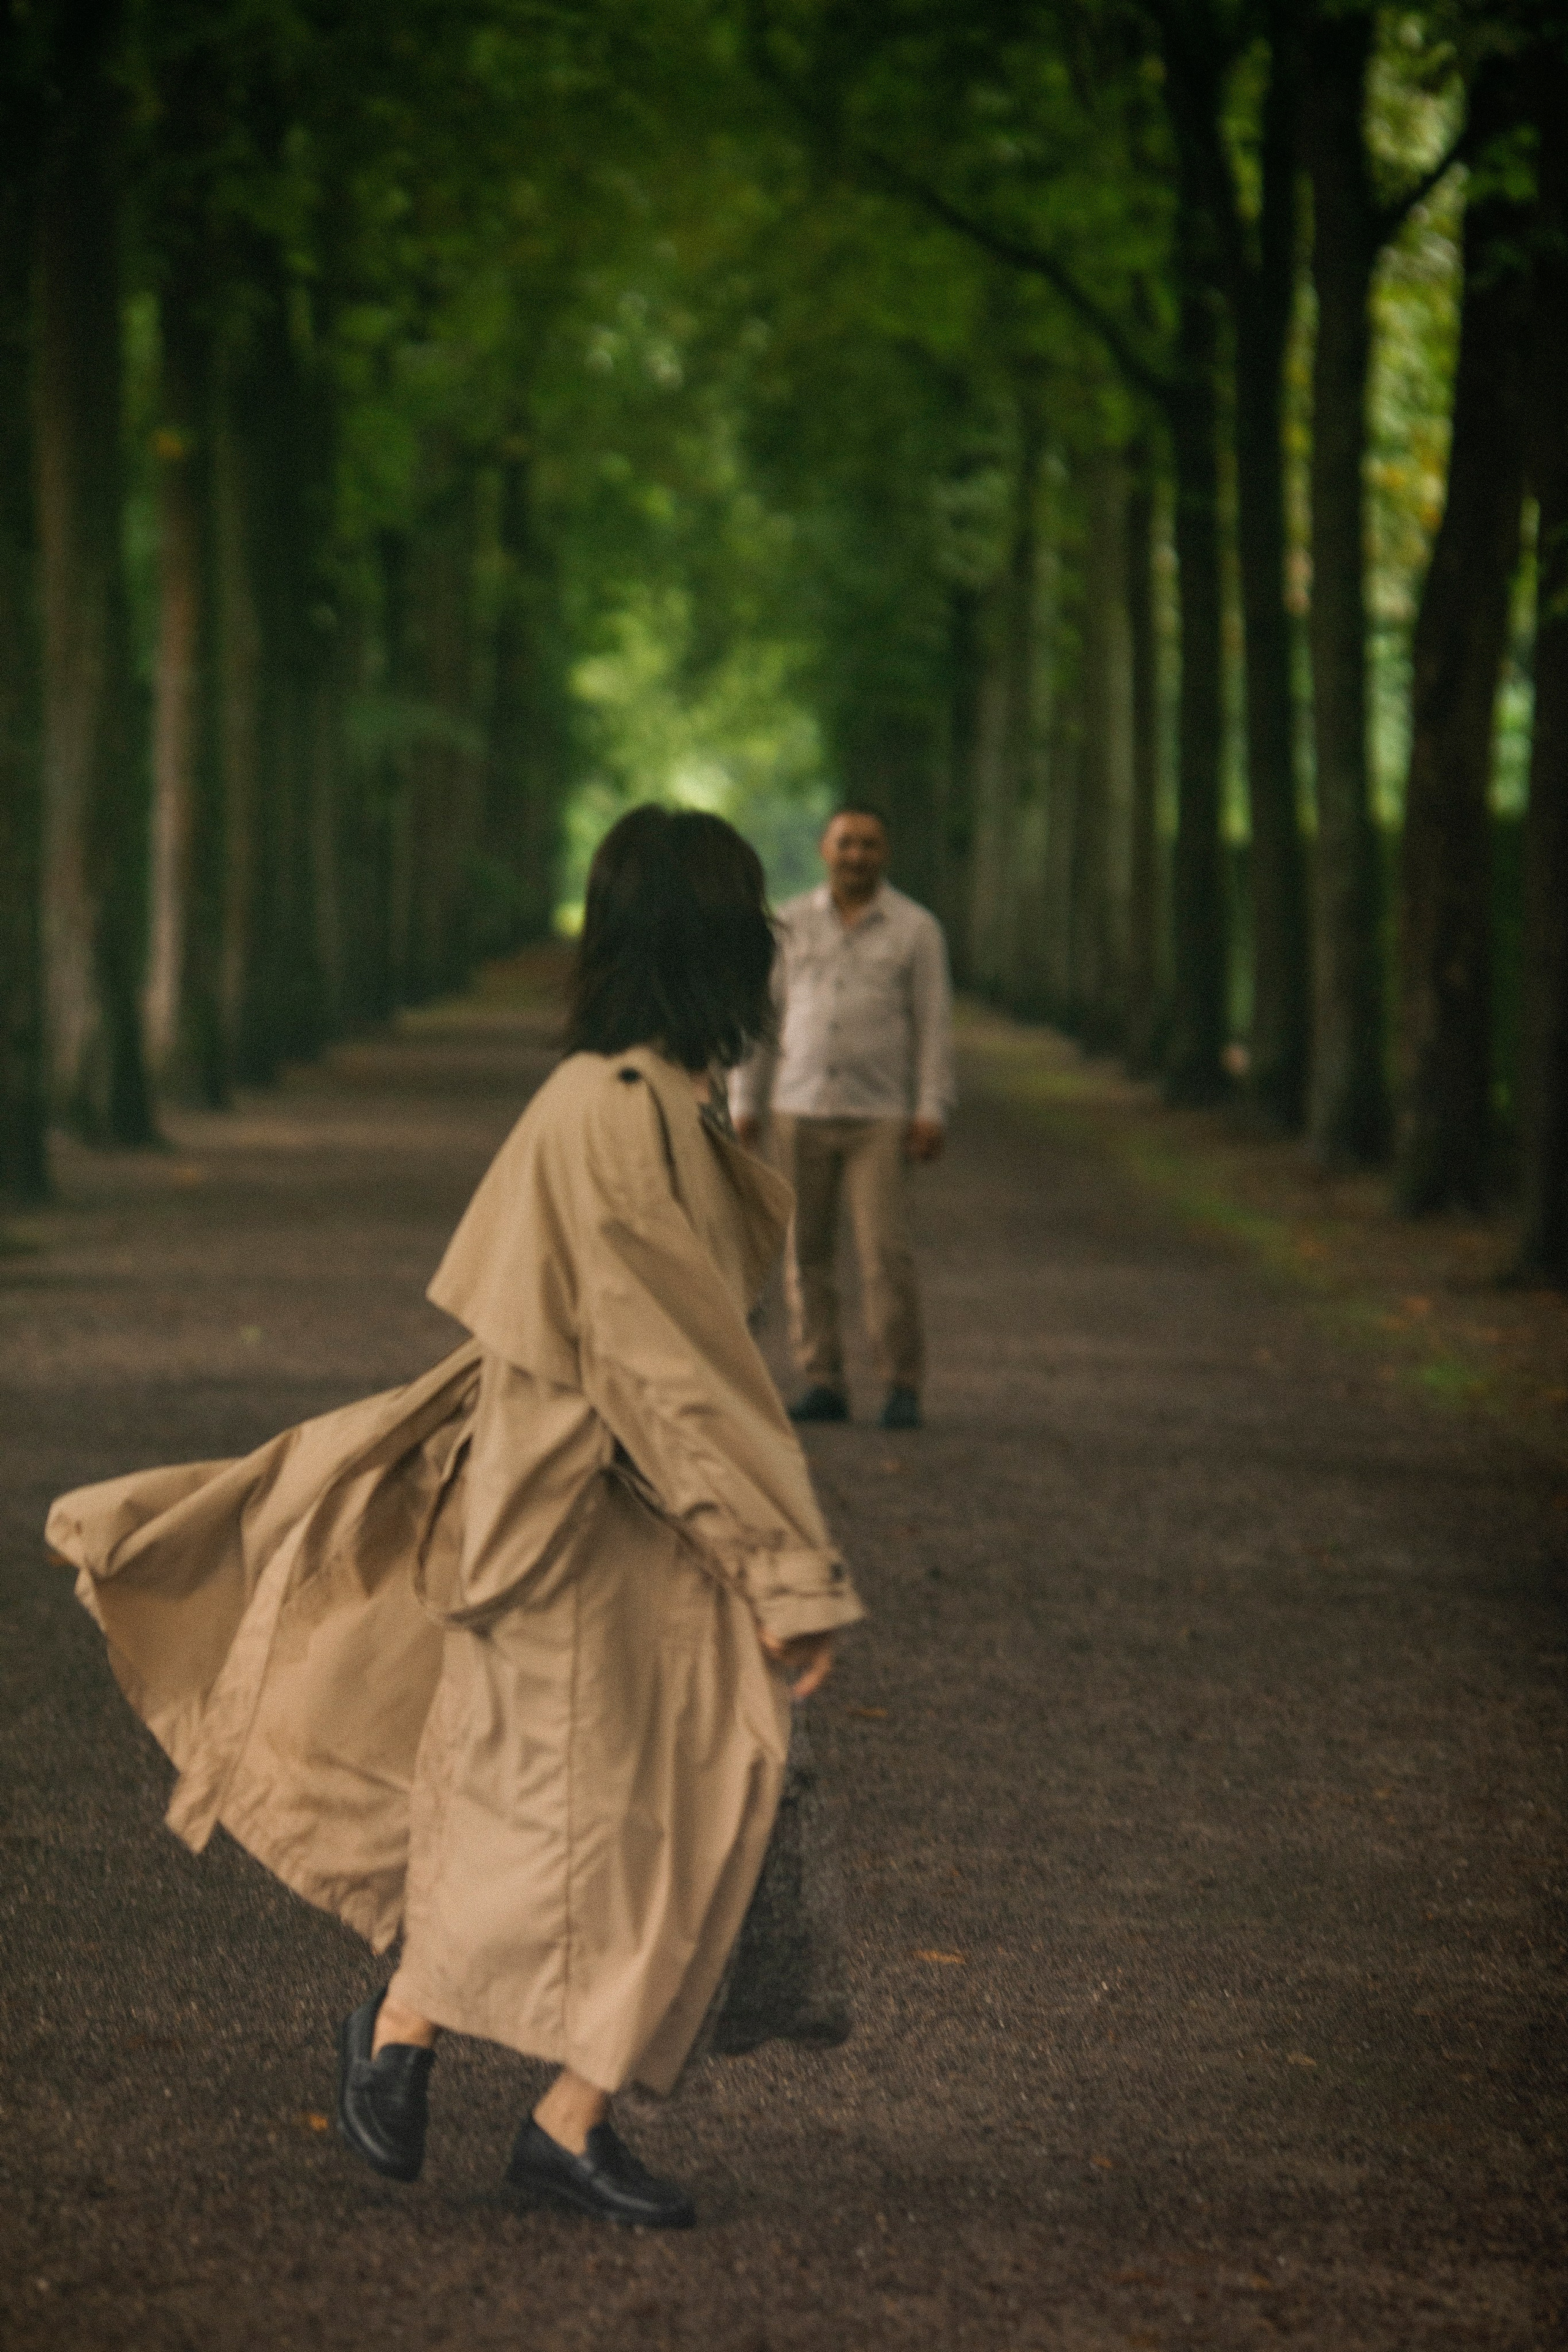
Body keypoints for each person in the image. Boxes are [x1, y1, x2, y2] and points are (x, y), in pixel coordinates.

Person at [45, 807, 864, 2231]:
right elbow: (673, 1369)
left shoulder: (654, 1095)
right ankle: (468, 2058)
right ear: (714, 937)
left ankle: (498, 2074)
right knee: (652, 1800)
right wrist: (787, 1573)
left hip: (608, 1522)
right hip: (579, 1527)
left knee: (626, 1805)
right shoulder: (613, 1109)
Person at [731, 805, 954, 1432]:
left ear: (885, 854)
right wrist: (742, 1100)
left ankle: (900, 1381)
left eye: (870, 845)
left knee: (885, 1252)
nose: (858, 854)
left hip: (879, 1115)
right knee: (806, 1253)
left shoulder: (916, 929)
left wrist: (931, 1107)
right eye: (847, 843)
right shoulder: (790, 924)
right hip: (797, 1109)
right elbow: (762, 1018)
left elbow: (934, 1025)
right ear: (825, 850)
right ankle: (821, 1378)